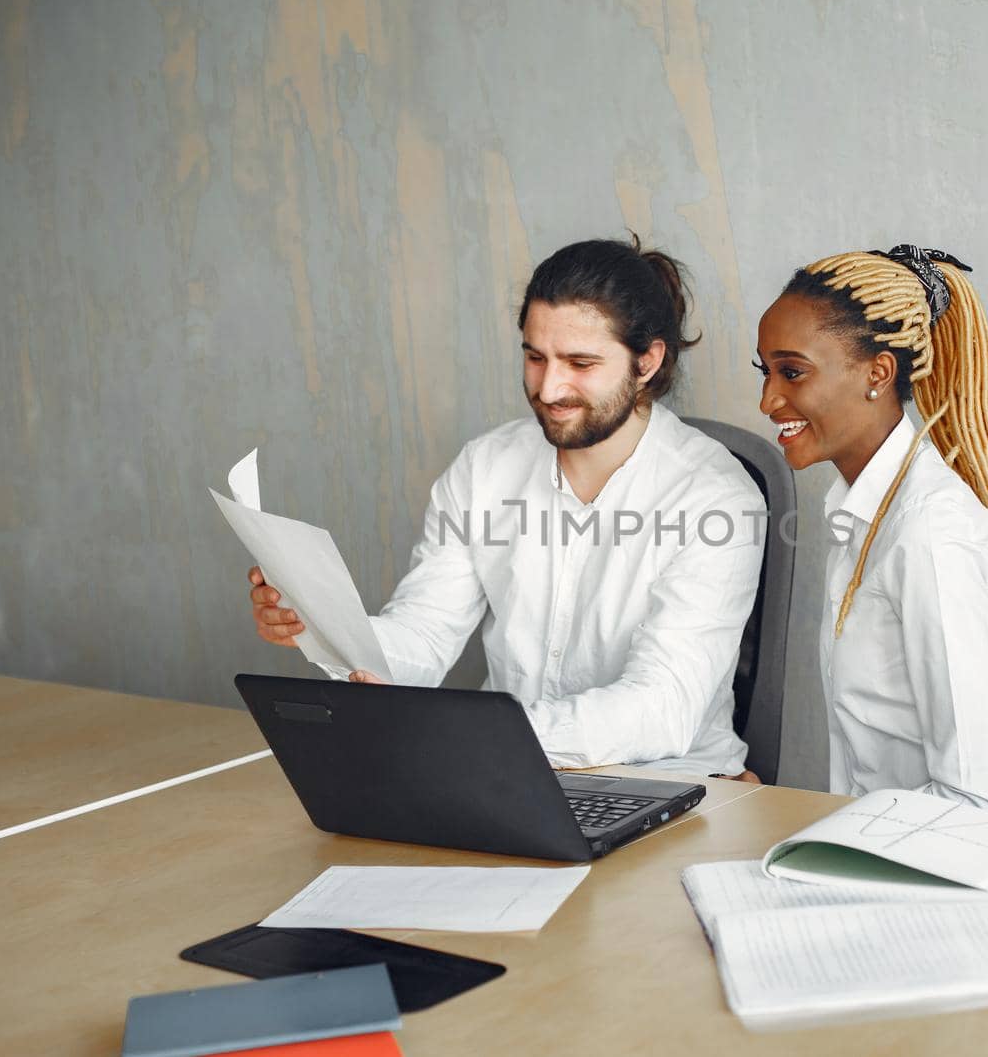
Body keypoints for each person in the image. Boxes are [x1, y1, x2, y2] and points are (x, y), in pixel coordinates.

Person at [251, 237, 765, 777]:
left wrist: (473, 735)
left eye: (580, 362)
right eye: (535, 357)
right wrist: (321, 625)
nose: (548, 388)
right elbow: (424, 637)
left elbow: (661, 708)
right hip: (497, 768)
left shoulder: (717, 497)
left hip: (664, 780)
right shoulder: (485, 467)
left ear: (647, 361)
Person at [754, 244, 988, 819]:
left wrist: (831, 847)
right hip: (902, 845)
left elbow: (975, 798)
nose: (768, 399)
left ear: (878, 373)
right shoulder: (863, 511)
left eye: (791, 372)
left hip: (976, 862)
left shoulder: (928, 533)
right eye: (765, 372)